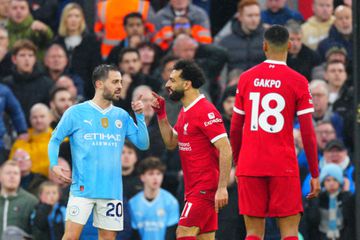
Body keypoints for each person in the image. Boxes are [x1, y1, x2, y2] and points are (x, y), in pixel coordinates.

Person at [230, 25, 320, 240]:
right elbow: (307, 132)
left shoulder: (246, 78)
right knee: (289, 233)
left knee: (253, 233)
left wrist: (237, 162)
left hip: (250, 164)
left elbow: (235, 128)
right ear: (289, 45)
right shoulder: (298, 81)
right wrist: (315, 173)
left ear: (264, 46)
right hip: (283, 164)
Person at [48, 64, 149, 240]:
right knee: (70, 237)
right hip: (82, 189)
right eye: (115, 81)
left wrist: (139, 116)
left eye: (120, 81)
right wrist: (54, 164)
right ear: (99, 84)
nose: (120, 86)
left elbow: (143, 144)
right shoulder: (76, 112)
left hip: (112, 191)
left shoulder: (122, 115)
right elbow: (54, 139)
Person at [151, 59, 232, 239]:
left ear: (187, 84)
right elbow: (171, 142)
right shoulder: (186, 110)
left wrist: (222, 188)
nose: (167, 84)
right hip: (193, 188)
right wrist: (162, 115)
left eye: (173, 80)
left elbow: (226, 149)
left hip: (204, 190)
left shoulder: (205, 111)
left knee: (184, 233)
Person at [129, 157, 179, 240]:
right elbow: (134, 235)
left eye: (158, 173)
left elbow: (171, 234)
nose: (155, 177)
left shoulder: (171, 202)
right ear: (142, 177)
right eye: (151, 174)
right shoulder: (133, 203)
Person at [0, 160, 38, 237]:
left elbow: (37, 233)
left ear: (20, 177)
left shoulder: (31, 201)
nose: (12, 176)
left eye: (16, 173)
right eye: (8, 173)